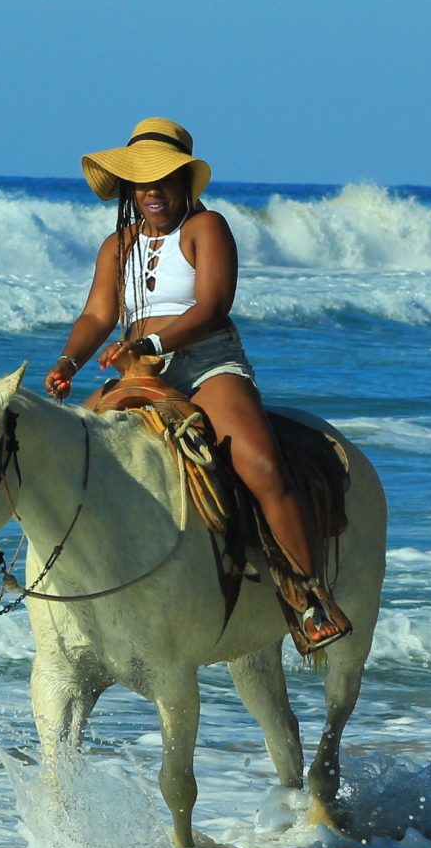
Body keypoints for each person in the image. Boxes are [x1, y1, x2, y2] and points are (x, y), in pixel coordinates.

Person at [45, 118, 350, 653]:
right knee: (73, 452)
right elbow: (97, 315)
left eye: (164, 179)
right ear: (129, 189)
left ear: (185, 182)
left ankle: (308, 594)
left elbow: (212, 306)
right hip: (135, 369)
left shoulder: (207, 229)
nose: (153, 192)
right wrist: (69, 361)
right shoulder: (116, 246)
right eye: (142, 181)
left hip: (207, 364)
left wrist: (157, 344)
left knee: (260, 464)